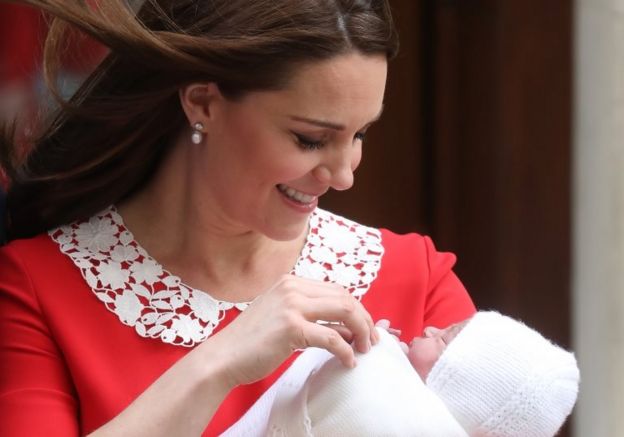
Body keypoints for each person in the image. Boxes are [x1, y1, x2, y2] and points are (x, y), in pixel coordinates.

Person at [0, 1, 479, 436]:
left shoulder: (417, 278)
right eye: (310, 139)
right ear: (203, 102)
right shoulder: (36, 287)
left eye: (360, 134)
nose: (342, 177)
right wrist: (221, 362)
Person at [228, 312, 579, 436]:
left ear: (458, 387)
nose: (430, 329)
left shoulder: (374, 390)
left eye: (443, 338)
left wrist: (376, 351)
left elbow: (355, 394)